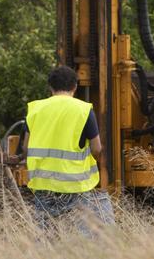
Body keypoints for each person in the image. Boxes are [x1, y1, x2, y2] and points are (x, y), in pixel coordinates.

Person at [21, 65, 115, 231]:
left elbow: (26, 148)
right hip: (76, 185)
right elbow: (97, 148)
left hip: (44, 184)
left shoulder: (35, 109)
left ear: (50, 86)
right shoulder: (83, 110)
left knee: (45, 237)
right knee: (81, 236)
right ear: (75, 86)